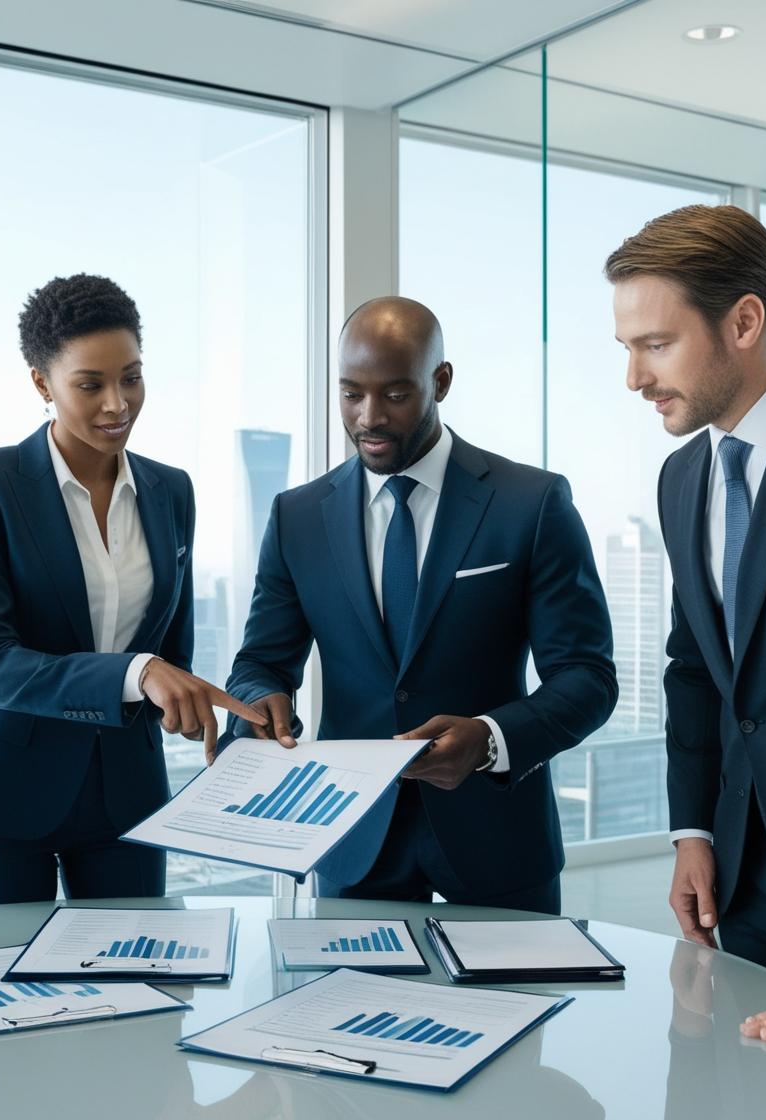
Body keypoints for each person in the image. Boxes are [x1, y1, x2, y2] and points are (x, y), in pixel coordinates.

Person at [221, 296, 617, 905]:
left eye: (395, 395)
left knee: (514, 1005)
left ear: (441, 381)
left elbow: (587, 678)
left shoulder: (531, 503)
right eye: (351, 394)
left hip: (499, 838)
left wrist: (490, 739)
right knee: (347, 1005)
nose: (369, 417)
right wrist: (259, 700)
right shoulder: (296, 516)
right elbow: (259, 664)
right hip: (351, 841)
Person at [0, 273, 263, 905]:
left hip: (129, 796)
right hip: (6, 795)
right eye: (91, 384)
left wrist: (184, 704)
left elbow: (171, 649)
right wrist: (138, 674)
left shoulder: (172, 491)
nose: (118, 404)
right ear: (41, 383)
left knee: (142, 989)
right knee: (7, 998)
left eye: (132, 378)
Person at [607, 203, 766, 989]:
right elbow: (697, 669)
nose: (634, 379)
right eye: (628, 349)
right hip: (744, 894)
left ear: (745, 321)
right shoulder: (683, 477)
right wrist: (694, 830)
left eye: (656, 345)